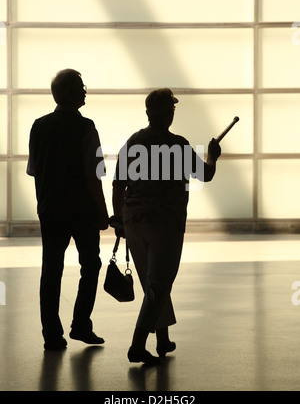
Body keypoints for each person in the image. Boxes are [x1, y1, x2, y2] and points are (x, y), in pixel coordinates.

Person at [111, 88, 221, 365]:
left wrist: (120, 219)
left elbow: (117, 185)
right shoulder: (178, 145)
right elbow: (205, 175)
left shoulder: (133, 142)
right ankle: (137, 344)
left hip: (134, 221)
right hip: (166, 224)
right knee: (159, 284)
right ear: (170, 113)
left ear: (148, 112)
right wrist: (212, 156)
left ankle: (162, 339)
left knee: (153, 283)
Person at [27, 69, 109, 351]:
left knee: (51, 270)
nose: (85, 91)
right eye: (81, 87)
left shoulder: (38, 126)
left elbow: (34, 171)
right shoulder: (87, 128)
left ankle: (51, 334)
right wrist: (102, 212)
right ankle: (81, 325)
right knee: (91, 265)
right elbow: (93, 176)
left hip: (50, 210)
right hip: (83, 211)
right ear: (71, 93)